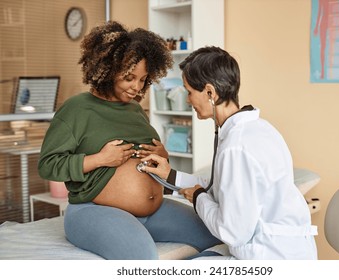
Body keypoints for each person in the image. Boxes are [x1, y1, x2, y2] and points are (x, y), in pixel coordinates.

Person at [38, 21, 221, 260]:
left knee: (217, 236)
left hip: (153, 211)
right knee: (142, 256)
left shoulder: (134, 110)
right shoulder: (77, 109)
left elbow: (145, 161)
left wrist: (162, 155)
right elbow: (48, 165)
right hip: (95, 210)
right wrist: (99, 159)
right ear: (108, 69)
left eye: (143, 79)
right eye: (129, 77)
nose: (136, 87)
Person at [141, 46, 318, 260]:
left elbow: (233, 232)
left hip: (270, 256)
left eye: (189, 92)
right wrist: (171, 175)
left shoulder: (237, 146)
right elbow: (222, 187)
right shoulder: (259, 129)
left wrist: (199, 198)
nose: (187, 100)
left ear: (209, 93)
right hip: (284, 249)